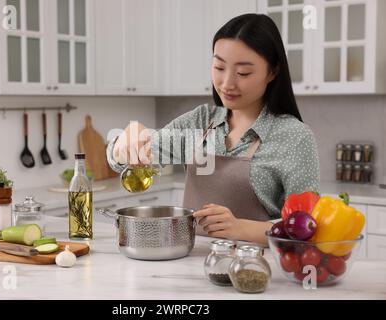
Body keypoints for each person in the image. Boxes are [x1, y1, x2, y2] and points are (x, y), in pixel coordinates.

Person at [106, 14, 320, 245]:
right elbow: (125, 162)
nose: (227, 83)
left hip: (255, 270)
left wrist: (240, 228)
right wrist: (125, 143)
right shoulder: (199, 122)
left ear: (272, 72)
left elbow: (306, 228)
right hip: (187, 266)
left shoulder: (294, 137)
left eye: (243, 73)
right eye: (219, 67)